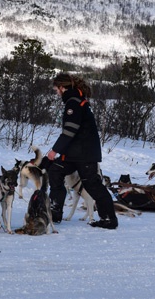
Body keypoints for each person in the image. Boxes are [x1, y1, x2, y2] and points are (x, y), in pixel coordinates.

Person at [46, 72, 119, 229]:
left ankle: (109, 219)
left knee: (92, 184)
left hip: (83, 153)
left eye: (56, 89)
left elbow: (69, 131)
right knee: (55, 171)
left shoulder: (74, 103)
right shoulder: (76, 100)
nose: (56, 92)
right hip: (75, 152)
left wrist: (54, 150)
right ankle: (54, 212)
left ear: (63, 87)